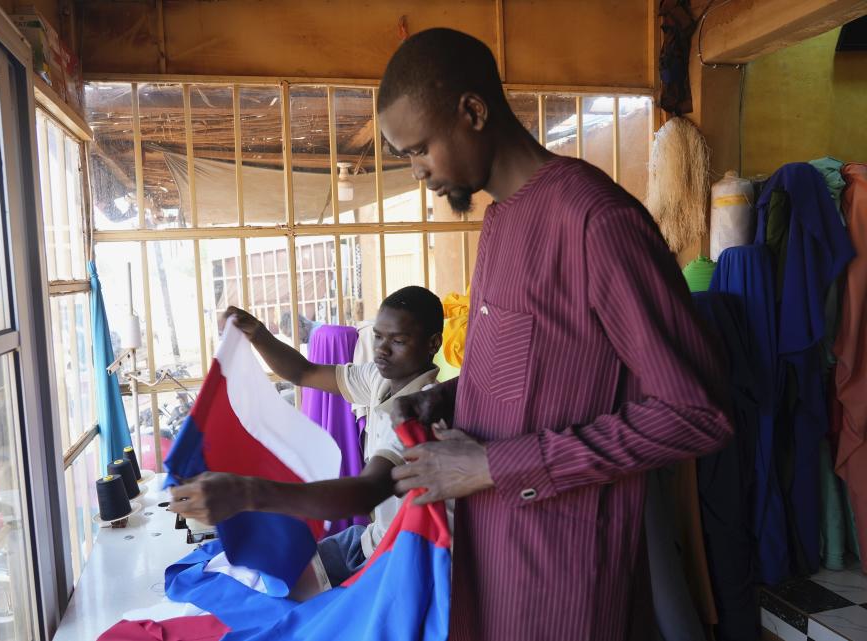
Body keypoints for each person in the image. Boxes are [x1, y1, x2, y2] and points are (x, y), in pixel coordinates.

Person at [379, 28, 733, 640]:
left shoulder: (597, 222)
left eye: (419, 150)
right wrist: (444, 399)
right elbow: (537, 374)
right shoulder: (499, 223)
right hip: (491, 564)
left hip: (566, 584)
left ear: (472, 111)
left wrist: (493, 464)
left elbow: (696, 413)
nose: (418, 174)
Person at [169, 286, 446, 587]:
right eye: (378, 337)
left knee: (272, 595)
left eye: (398, 341)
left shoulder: (423, 409)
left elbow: (367, 491)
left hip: (397, 556)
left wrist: (247, 492)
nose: (382, 349)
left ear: (433, 344)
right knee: (258, 575)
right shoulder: (381, 378)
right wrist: (259, 335)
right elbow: (305, 372)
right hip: (369, 538)